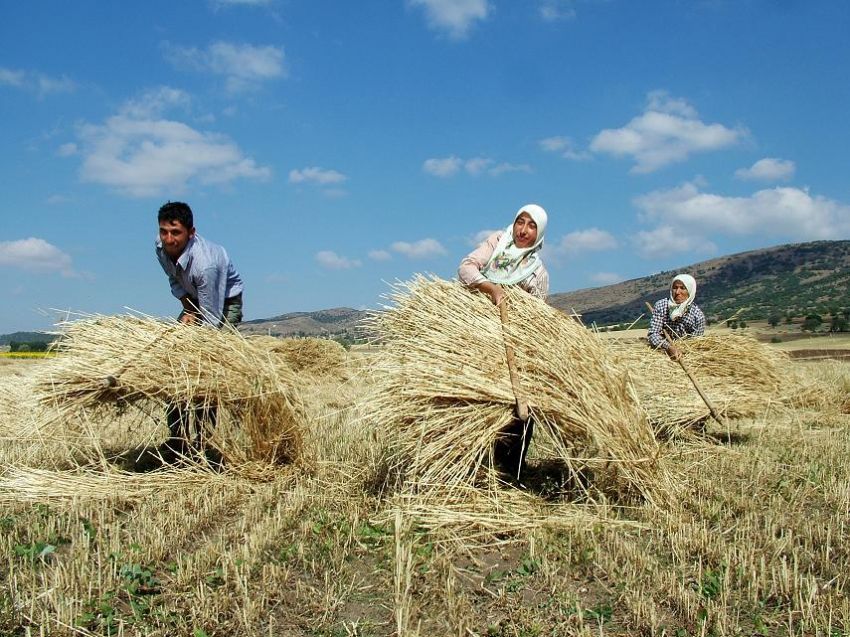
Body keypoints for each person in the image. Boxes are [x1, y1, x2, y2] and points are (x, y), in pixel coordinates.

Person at [458, 203, 549, 481]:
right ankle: (471, 463)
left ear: (540, 233)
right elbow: (466, 268)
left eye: (532, 226)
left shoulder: (537, 273)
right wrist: (491, 287)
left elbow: (536, 317)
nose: (523, 230)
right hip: (474, 329)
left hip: (509, 341)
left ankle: (511, 472)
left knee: (519, 406)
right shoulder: (497, 242)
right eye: (520, 221)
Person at [155, 201, 244, 463]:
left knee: (206, 374)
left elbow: (211, 320)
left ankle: (205, 444)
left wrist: (196, 342)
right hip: (194, 299)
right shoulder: (160, 248)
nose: (169, 239)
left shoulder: (207, 265)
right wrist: (187, 311)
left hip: (224, 304)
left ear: (191, 232)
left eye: (176, 233)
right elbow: (174, 280)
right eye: (164, 232)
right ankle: (178, 442)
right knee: (175, 368)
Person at [647, 273, 705, 361]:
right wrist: (668, 347)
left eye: (682, 288)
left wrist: (682, 351)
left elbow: (696, 343)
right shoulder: (661, 306)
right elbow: (653, 334)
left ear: (690, 291)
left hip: (686, 355)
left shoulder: (697, 316)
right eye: (675, 288)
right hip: (663, 350)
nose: (677, 292)